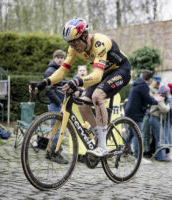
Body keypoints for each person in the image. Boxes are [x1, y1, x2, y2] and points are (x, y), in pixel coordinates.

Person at [31, 18, 131, 157]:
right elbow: (62, 71)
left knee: (97, 96)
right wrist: (44, 82)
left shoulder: (100, 43)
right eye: (70, 43)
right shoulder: (73, 49)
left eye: (75, 42)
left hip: (121, 70)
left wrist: (77, 81)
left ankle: (103, 146)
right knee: (83, 104)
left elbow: (96, 76)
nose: (73, 47)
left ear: (85, 36)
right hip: (103, 73)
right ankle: (100, 137)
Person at [125, 70, 164, 163]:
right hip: (136, 113)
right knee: (138, 134)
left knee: (131, 133)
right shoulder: (143, 85)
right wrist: (157, 100)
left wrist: (153, 98)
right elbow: (148, 100)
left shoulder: (138, 83)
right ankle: (137, 157)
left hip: (130, 111)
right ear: (150, 79)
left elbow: (144, 97)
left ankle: (122, 151)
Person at [44, 50, 68, 164]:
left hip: (59, 104)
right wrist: (59, 103)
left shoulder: (59, 70)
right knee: (57, 130)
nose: (60, 59)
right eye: (57, 57)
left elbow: (63, 85)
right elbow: (48, 90)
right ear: (54, 58)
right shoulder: (50, 71)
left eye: (62, 57)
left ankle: (49, 152)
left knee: (55, 130)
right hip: (56, 104)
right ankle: (55, 153)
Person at [149, 84, 170, 161]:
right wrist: (168, 105)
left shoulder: (161, 97)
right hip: (155, 119)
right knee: (160, 138)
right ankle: (161, 157)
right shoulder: (160, 98)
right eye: (168, 91)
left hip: (155, 119)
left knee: (158, 138)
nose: (169, 92)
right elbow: (164, 109)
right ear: (165, 92)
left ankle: (159, 156)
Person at [143, 75, 161, 158]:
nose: (158, 83)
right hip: (146, 112)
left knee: (153, 134)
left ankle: (151, 149)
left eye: (159, 82)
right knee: (146, 132)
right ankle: (146, 151)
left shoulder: (157, 90)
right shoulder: (148, 88)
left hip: (152, 113)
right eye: (157, 82)